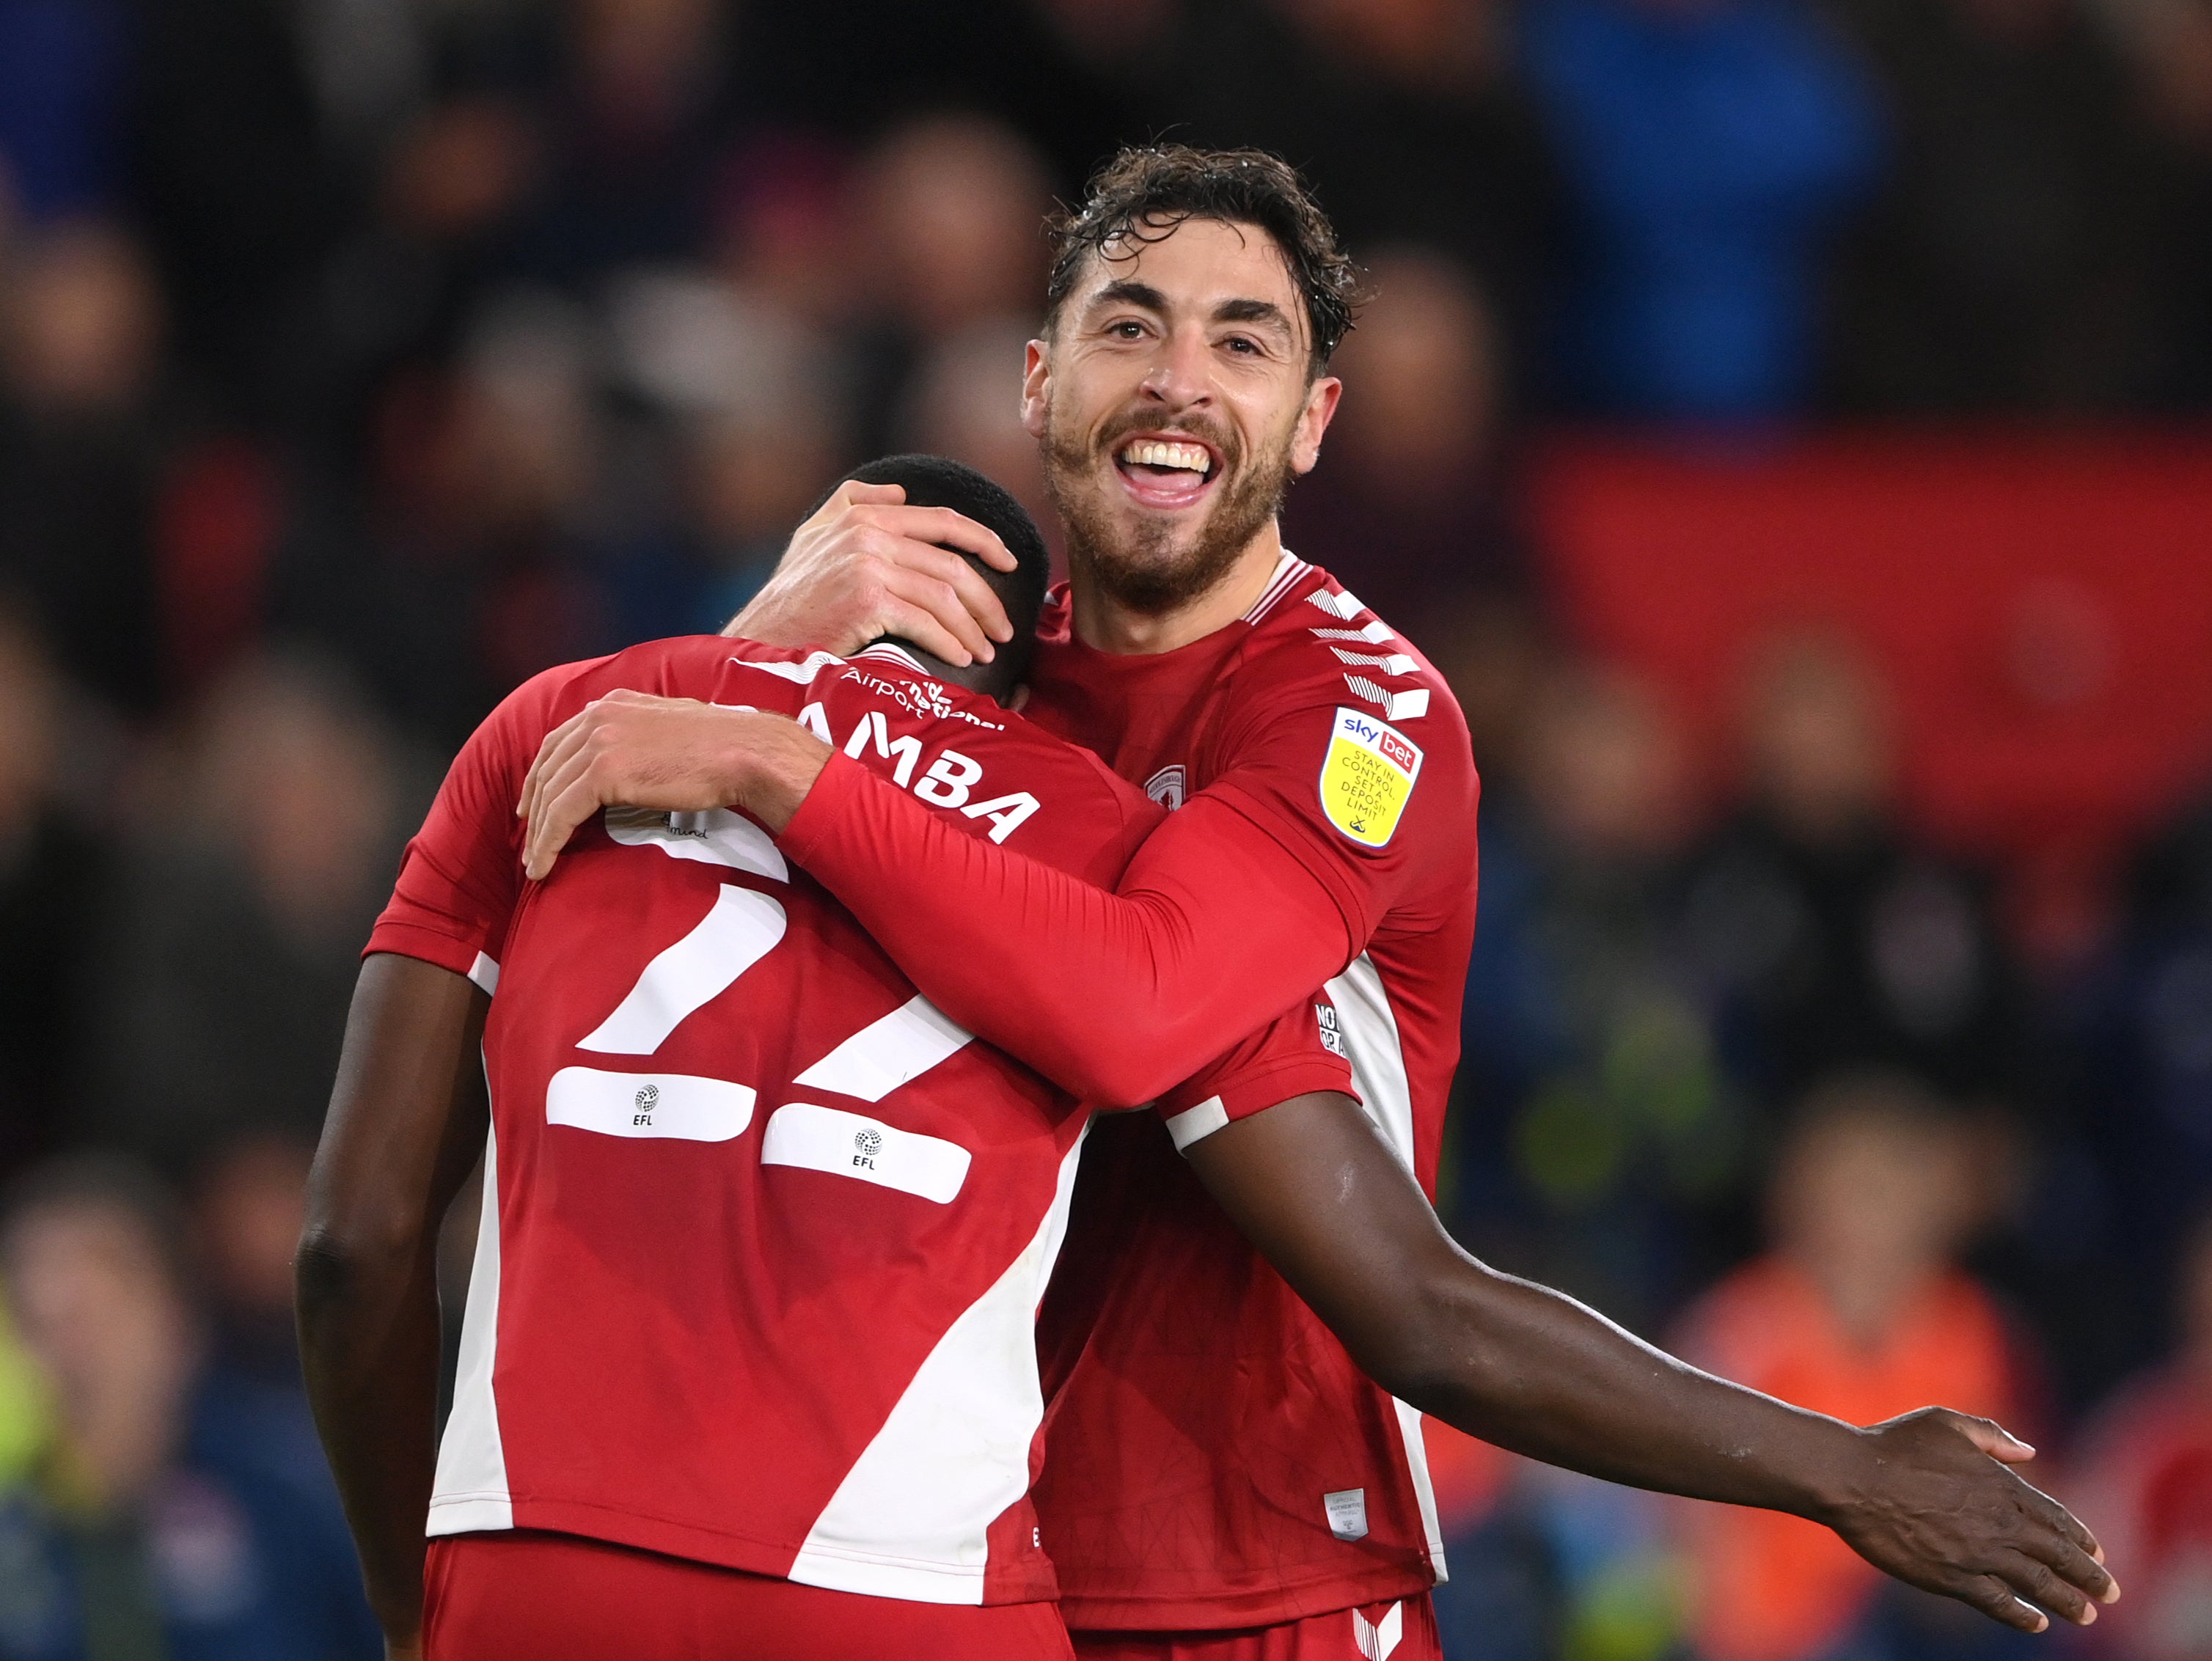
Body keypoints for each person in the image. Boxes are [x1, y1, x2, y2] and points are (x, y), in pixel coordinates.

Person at [519, 145, 2115, 1658]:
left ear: (1309, 421)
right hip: (925, 1549)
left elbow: (1142, 1017)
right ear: (1034, 381)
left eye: (1242, 341)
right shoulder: (965, 689)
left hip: (1255, 1567)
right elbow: (618, 940)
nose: (1176, 380)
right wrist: (761, 645)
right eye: (1127, 326)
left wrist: (1838, 1470)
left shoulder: (1358, 712)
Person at [297, 455, 1357, 1661]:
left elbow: (355, 1241)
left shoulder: (569, 726)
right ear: (1025, 677)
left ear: (808, 579)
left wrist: (405, 1604)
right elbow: (1402, 1297)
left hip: (532, 1562)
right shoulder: (1113, 844)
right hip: (904, 1590)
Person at [0, 1156, 378, 1661]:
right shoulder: (15, 1532)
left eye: (106, 1304)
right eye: (40, 1320)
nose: (74, 1349)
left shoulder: (293, 1491)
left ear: (181, 1320)